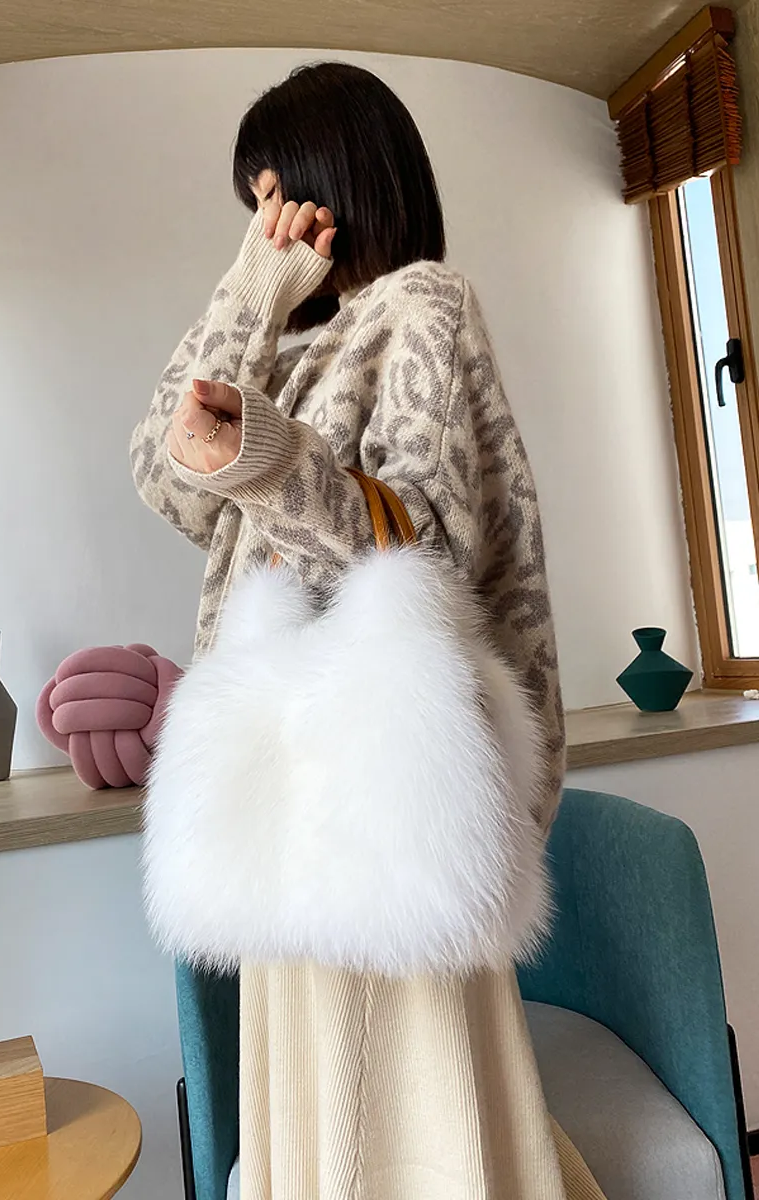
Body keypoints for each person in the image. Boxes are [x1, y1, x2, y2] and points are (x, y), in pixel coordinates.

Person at [132, 60, 605, 1200]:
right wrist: (252, 293)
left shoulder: (425, 305)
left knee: (417, 1134)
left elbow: (422, 552)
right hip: (283, 792)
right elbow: (163, 474)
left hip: (384, 792)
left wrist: (268, 459)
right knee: (312, 1125)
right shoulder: (290, 350)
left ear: (338, 179)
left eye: (274, 194)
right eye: (251, 207)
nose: (263, 223)